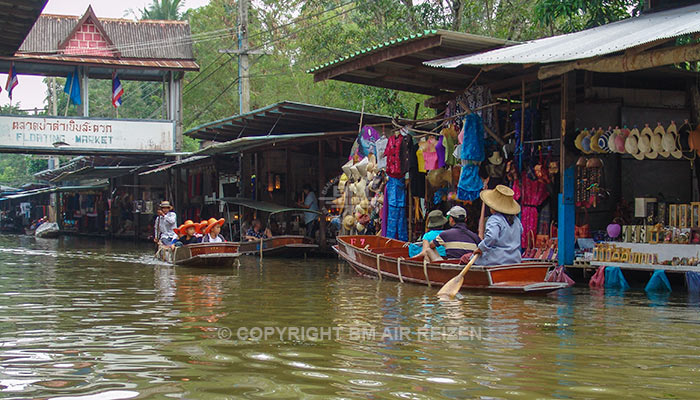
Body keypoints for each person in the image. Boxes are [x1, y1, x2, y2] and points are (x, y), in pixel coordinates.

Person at [471, 185, 523, 266]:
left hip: (496, 260)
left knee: (466, 258)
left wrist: (481, 248)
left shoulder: (494, 219)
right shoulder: (516, 220)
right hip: (515, 259)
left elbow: (492, 237)